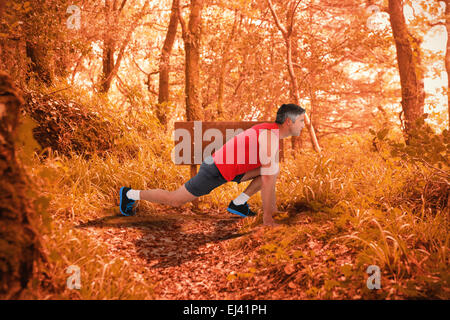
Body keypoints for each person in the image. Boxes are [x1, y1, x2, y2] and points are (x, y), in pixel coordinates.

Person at [119, 104, 306, 227]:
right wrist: (267, 220)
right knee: (175, 199)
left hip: (234, 169)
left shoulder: (271, 133)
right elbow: (266, 179)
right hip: (215, 168)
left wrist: (272, 211)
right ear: (288, 122)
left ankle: (238, 203)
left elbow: (268, 174)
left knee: (273, 169)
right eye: (301, 121)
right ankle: (129, 194)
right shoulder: (269, 137)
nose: (303, 125)